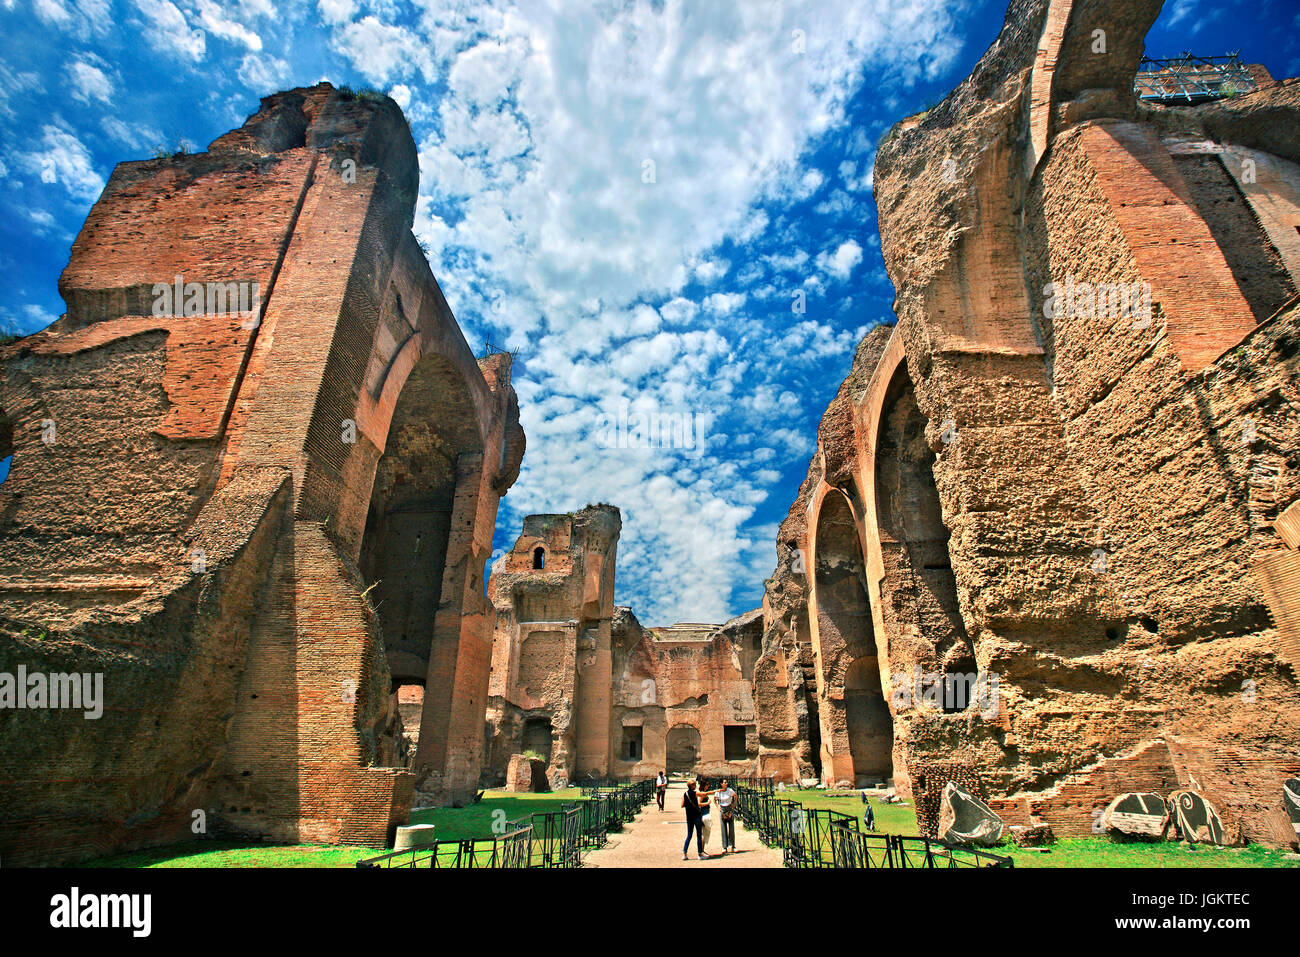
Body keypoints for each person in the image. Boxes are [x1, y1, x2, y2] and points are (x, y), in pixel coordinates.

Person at [681, 779, 707, 860]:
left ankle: (684, 853)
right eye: (694, 784)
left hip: (689, 817)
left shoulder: (685, 794)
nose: (695, 785)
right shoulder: (695, 793)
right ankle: (700, 854)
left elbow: (682, 805)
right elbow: (705, 793)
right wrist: (717, 790)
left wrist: (688, 805)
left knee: (689, 835)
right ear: (692, 785)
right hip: (696, 816)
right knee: (699, 835)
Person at [714, 778, 738, 853]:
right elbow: (714, 799)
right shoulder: (719, 792)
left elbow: (735, 796)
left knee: (731, 828)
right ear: (721, 784)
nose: (726, 783)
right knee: (723, 828)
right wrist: (718, 807)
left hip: (729, 809)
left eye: (726, 782)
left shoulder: (730, 790)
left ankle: (733, 846)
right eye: (724, 782)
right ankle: (724, 847)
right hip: (722, 809)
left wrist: (733, 805)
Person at [696, 779, 715, 852]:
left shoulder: (704, 793)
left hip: (705, 814)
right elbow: (699, 803)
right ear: (704, 785)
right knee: (704, 834)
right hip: (704, 815)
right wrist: (707, 803)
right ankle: (701, 851)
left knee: (705, 833)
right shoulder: (702, 794)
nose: (708, 786)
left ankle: (702, 850)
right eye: (707, 785)